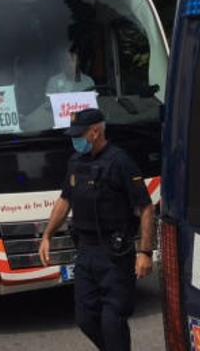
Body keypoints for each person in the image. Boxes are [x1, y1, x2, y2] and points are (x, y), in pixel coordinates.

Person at [38, 108, 155, 351]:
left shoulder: (121, 162)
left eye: (79, 134)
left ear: (95, 132)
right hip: (86, 252)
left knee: (113, 321)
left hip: (115, 254)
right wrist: (47, 234)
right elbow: (64, 200)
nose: (75, 139)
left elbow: (145, 208)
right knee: (85, 319)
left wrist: (145, 252)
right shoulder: (76, 161)